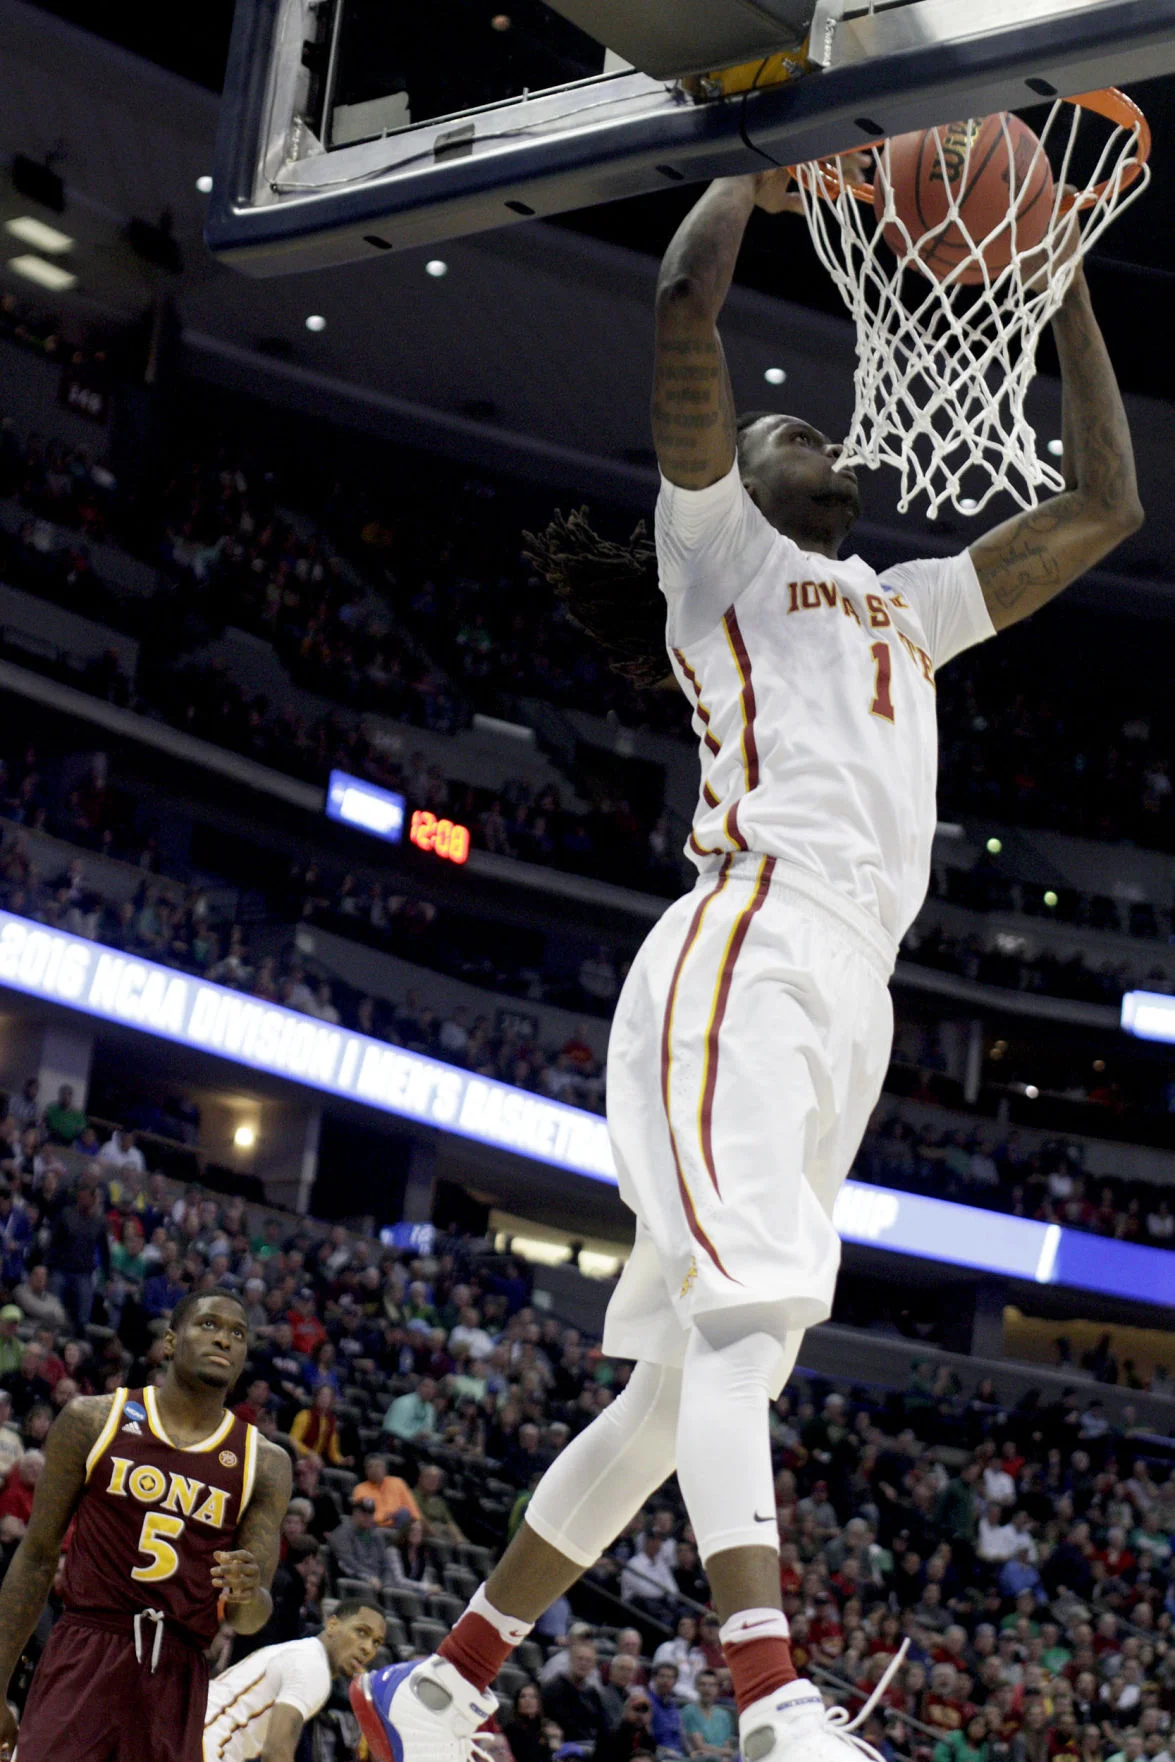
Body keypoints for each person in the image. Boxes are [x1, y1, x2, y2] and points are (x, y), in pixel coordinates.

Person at [348, 165, 1141, 1762]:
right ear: (737, 473)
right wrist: (749, 172)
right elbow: (679, 306)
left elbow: (1105, 507)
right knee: (743, 1334)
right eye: (778, 424)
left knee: (668, 1394)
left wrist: (1056, 276)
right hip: (751, 943)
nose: (808, 429)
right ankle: (772, 1699)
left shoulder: (904, 608)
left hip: (853, 985)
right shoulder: (709, 552)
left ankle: (436, 1690)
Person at [0, 1291, 292, 1762]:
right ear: (171, 1342)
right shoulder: (93, 1420)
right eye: (209, 1325)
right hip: (87, 1646)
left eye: (237, 1334)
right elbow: (35, 1557)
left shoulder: (266, 1464)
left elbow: (249, 1617)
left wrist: (248, 1593)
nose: (224, 1339)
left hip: (178, 1672)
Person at [203, 1597, 385, 1762]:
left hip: (195, 1732)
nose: (368, 1648)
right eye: (361, 1632)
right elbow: (276, 1752)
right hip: (206, 1743)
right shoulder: (314, 1667)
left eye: (376, 1642)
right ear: (332, 1625)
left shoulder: (302, 1652)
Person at [352, 1453, 420, 1529]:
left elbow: (411, 1507)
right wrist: (384, 1517)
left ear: (385, 1469)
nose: (374, 1470)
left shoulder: (398, 1482)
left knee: (404, 1514)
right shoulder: (360, 1488)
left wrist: (416, 1520)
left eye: (378, 1466)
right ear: (365, 1471)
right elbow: (363, 1515)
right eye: (370, 1467)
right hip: (375, 1526)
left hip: (398, 1524)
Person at [288, 1385, 351, 1465]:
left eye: (328, 1396)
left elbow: (333, 1452)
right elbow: (293, 1440)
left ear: (332, 1401)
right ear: (316, 1397)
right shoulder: (305, 1415)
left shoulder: (331, 1422)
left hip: (315, 1462)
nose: (324, 1398)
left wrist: (343, 1461)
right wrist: (310, 1453)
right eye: (322, 1395)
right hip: (299, 1457)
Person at [681, 1670, 737, 1758]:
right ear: (696, 1687)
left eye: (712, 1685)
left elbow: (727, 1744)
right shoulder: (689, 1711)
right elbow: (700, 1746)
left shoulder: (724, 1715)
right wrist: (726, 1752)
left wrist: (727, 1755)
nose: (707, 1688)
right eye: (703, 1684)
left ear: (718, 1688)